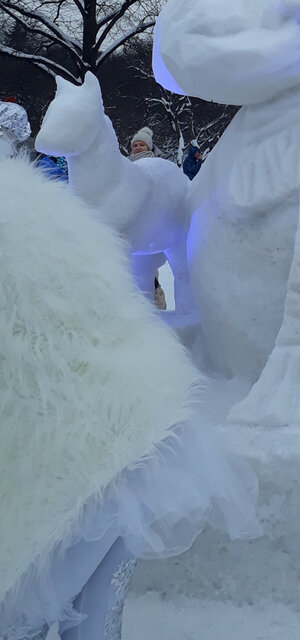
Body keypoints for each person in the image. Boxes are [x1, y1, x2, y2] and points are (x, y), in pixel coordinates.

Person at [0, 159, 258, 640]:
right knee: (95, 622)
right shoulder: (36, 198)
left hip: (60, 463)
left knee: (20, 614)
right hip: (142, 421)